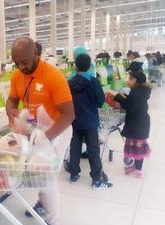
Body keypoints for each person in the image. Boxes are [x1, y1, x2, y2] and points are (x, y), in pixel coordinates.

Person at [6, 37, 74, 225]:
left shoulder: (53, 76)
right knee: (37, 173)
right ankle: (43, 205)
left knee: (47, 178)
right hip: (37, 130)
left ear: (36, 53)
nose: (20, 67)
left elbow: (69, 115)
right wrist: (10, 110)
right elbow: (12, 100)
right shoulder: (17, 76)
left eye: (24, 62)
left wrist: (46, 137)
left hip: (58, 130)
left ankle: (53, 220)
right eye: (16, 63)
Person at [68, 54, 113, 189]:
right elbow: (100, 102)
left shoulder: (69, 83)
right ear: (89, 66)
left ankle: (74, 175)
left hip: (74, 121)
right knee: (93, 149)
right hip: (90, 121)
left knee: (75, 147)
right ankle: (96, 180)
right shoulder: (94, 82)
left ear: (76, 66)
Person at [114, 71, 151, 178]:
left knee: (138, 148)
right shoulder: (141, 91)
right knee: (136, 147)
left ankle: (138, 171)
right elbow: (133, 103)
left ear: (137, 81)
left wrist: (118, 97)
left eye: (131, 79)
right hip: (139, 123)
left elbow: (130, 107)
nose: (128, 80)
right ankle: (136, 166)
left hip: (137, 125)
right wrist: (124, 97)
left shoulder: (136, 92)